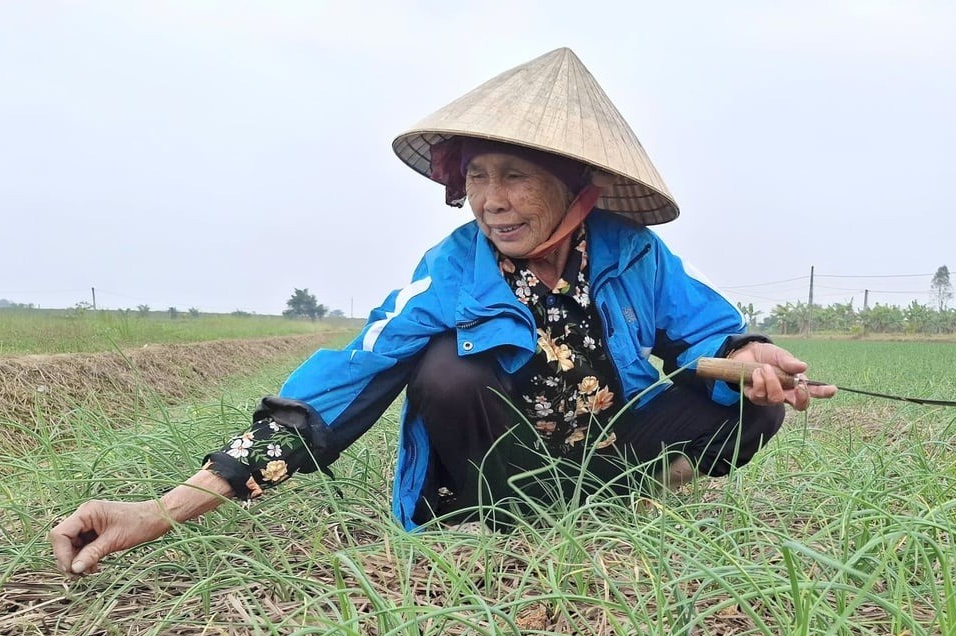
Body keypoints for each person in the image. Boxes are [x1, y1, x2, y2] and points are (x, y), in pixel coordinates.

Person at [51, 48, 835, 576]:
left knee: (752, 407)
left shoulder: (632, 254)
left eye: (516, 177)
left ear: (576, 186)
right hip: (503, 468)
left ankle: (632, 498)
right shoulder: (453, 271)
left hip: (604, 451)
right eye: (479, 177)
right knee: (449, 370)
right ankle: (500, 527)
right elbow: (333, 391)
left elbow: (706, 330)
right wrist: (162, 508)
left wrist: (752, 354)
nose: (491, 201)